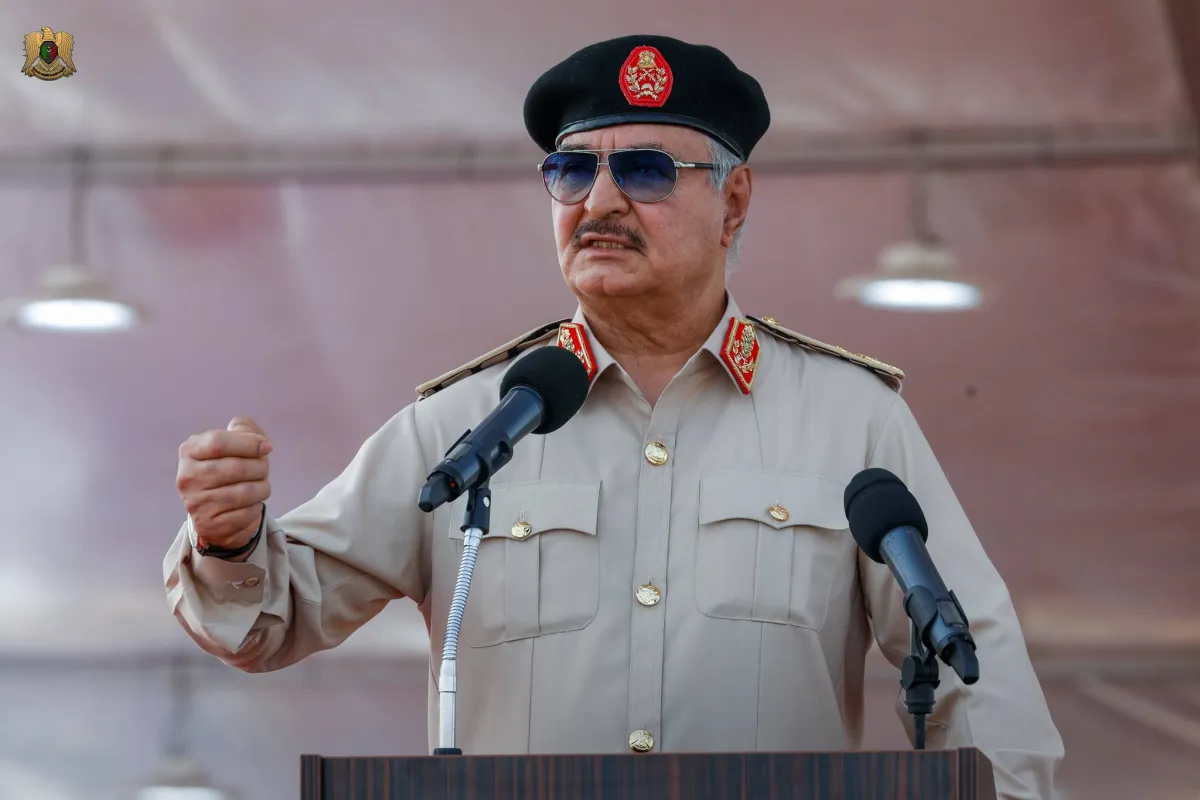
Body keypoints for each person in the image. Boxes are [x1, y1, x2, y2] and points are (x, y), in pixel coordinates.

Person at [166, 34, 1063, 799]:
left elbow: (976, 672)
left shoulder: (850, 421)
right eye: (571, 171)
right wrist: (229, 542)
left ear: (733, 202)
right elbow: (271, 619)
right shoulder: (467, 424)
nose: (597, 203)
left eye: (643, 170)